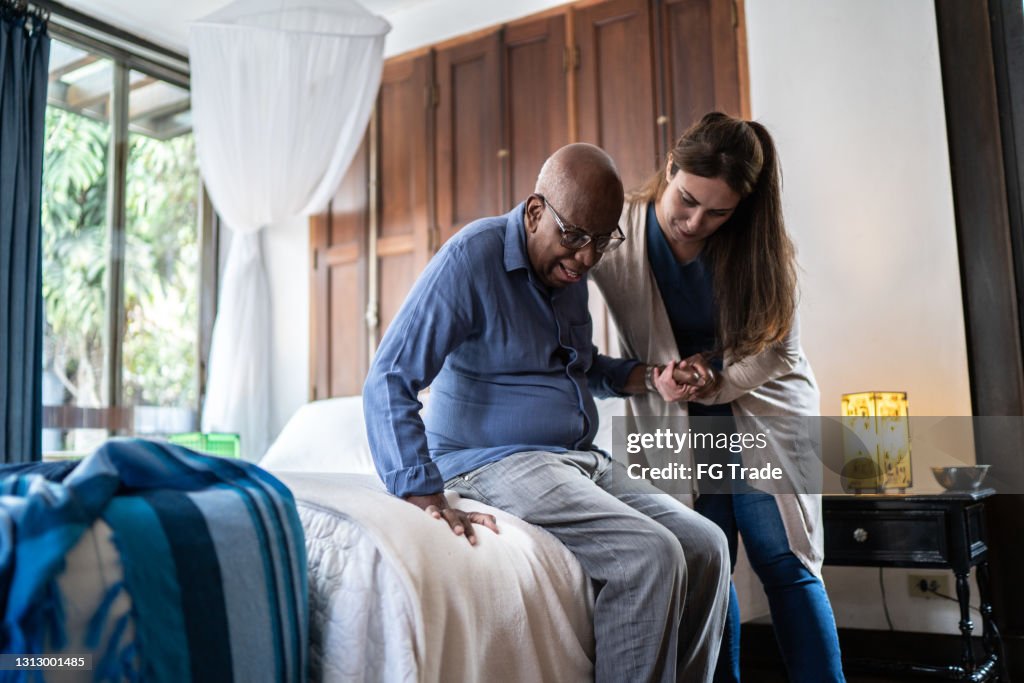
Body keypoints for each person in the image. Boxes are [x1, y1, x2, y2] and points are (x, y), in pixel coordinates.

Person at [363, 143, 730, 683]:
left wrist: (649, 376)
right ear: (536, 212)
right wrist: (423, 493)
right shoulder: (471, 259)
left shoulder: (567, 277)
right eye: (575, 237)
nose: (586, 258)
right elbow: (389, 377)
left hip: (575, 458)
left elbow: (580, 367)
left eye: (601, 242)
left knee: (706, 546)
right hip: (492, 460)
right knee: (649, 557)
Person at [591, 112, 845, 682]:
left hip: (765, 407)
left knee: (784, 558)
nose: (696, 221)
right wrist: (646, 375)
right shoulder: (619, 234)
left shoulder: (760, 246)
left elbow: (777, 351)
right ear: (670, 168)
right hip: (674, 416)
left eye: (718, 212)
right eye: (687, 200)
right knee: (707, 563)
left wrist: (713, 376)